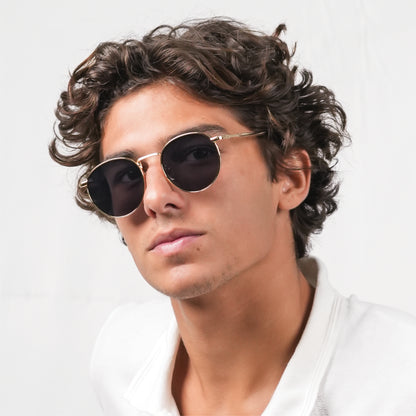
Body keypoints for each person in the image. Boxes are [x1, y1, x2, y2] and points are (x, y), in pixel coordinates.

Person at [49, 17, 416, 416]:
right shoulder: (121, 357)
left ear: (290, 177)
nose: (154, 198)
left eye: (195, 154)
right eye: (124, 176)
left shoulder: (401, 381)